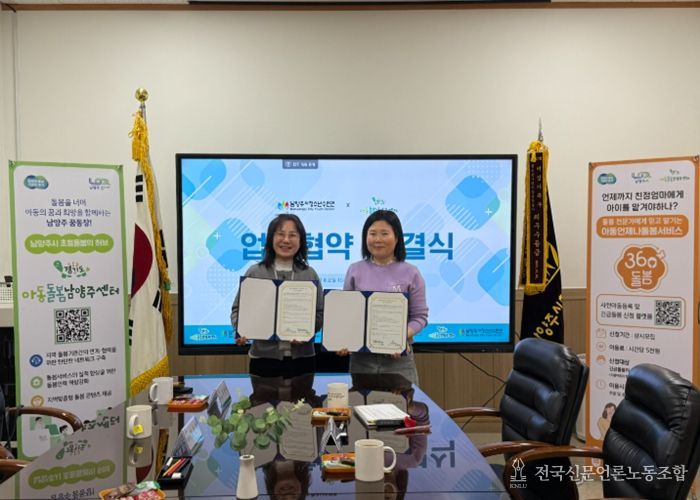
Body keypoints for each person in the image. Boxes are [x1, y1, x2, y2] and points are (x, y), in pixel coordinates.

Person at [338, 210, 428, 385]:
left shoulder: (411, 272)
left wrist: (398, 337)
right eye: (372, 233)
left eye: (384, 233)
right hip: (362, 360)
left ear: (397, 237)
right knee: (362, 403)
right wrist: (343, 339)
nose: (378, 239)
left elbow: (420, 317)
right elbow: (347, 315)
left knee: (401, 403)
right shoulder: (355, 270)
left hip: (398, 360)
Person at [231, 214, 323, 377]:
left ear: (301, 241)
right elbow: (238, 309)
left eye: (292, 235)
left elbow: (320, 313)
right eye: (280, 234)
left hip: (303, 358)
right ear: (271, 239)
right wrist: (241, 330)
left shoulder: (309, 274)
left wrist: (306, 332)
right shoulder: (255, 272)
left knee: (302, 394)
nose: (286, 240)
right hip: (263, 359)